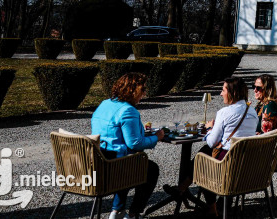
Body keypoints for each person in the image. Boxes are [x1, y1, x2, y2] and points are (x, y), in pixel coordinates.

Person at [165, 78, 258, 216]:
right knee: (205, 153)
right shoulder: (252, 112)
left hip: (227, 164)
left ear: (232, 93)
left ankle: (209, 206)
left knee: (203, 160)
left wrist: (209, 129)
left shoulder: (224, 113)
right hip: (245, 163)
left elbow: (212, 142)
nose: (221, 94)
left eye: (223, 90)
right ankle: (182, 189)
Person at [90, 72, 163, 219]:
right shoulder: (128, 111)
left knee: (132, 161)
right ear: (133, 90)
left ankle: (118, 210)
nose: (144, 93)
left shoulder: (105, 104)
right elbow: (135, 143)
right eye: (142, 90)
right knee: (149, 168)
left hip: (97, 162)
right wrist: (157, 137)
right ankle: (133, 212)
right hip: (115, 167)